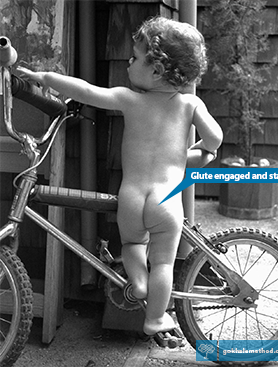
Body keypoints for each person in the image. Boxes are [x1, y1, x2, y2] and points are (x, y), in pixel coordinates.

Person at [19, 16, 223, 339]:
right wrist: (197, 154)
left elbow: (85, 91)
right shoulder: (189, 105)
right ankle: (155, 318)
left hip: (132, 195)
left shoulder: (130, 100)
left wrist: (43, 76)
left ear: (156, 71)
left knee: (131, 244)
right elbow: (215, 139)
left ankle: (138, 283)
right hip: (167, 201)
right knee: (165, 264)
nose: (128, 61)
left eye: (135, 57)